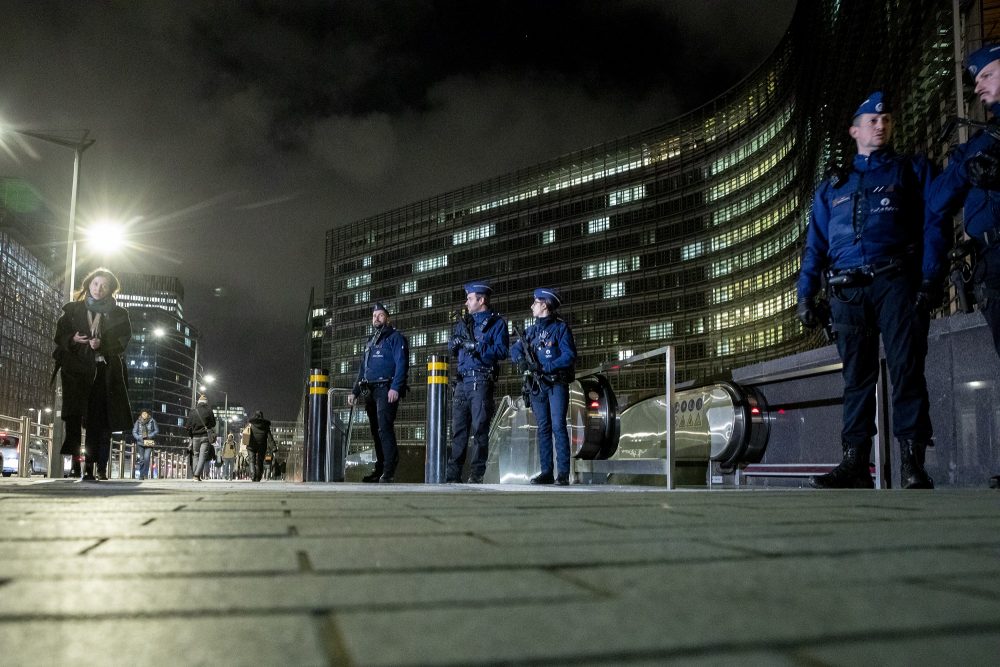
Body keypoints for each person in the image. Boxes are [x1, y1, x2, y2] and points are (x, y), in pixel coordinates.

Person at [797, 91, 946, 490]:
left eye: (886, 120)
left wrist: (932, 277)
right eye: (872, 120)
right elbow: (816, 244)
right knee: (855, 379)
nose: (881, 125)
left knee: (906, 370)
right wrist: (806, 295)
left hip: (896, 281)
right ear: (854, 130)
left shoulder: (911, 169)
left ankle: (912, 464)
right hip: (847, 291)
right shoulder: (833, 185)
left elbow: (935, 223)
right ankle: (855, 464)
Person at [928, 44, 1000, 489]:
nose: (978, 85)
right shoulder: (981, 138)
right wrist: (966, 167)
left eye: (987, 74)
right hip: (994, 259)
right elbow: (938, 200)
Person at [53, 267, 134, 481]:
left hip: (101, 371)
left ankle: (90, 466)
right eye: (96, 284)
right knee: (73, 418)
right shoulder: (72, 310)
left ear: (110, 290)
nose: (99, 289)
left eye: (104, 285)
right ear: (89, 284)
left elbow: (124, 340)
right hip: (75, 372)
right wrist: (72, 339)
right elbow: (59, 335)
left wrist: (103, 344)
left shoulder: (119, 314)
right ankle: (75, 465)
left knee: (95, 420)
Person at [511, 288, 577, 485]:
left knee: (558, 426)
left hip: (555, 383)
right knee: (544, 428)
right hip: (537, 386)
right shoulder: (531, 332)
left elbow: (569, 355)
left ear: (545, 305)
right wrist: (522, 361)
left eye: (535, 302)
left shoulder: (560, 328)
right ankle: (547, 471)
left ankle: (563, 474)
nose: (532, 306)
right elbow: (514, 350)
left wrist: (547, 367)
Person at [447, 280, 509, 483]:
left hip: (481, 379)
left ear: (481, 300)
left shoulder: (496, 323)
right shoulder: (465, 323)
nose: (466, 302)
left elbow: (501, 351)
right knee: (458, 431)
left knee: (480, 429)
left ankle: (476, 474)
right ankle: (453, 474)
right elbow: (452, 346)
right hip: (462, 381)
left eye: (470, 298)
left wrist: (477, 347)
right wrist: (455, 343)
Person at [349, 303, 409, 483]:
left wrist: (395, 387)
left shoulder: (395, 337)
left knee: (384, 429)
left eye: (380, 315)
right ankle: (380, 469)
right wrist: (355, 392)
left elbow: (402, 364)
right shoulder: (370, 341)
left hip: (386, 388)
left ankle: (389, 470)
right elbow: (363, 369)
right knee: (375, 431)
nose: (376, 318)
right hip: (370, 390)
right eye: (374, 315)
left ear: (387, 318)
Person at [186, 394, 217, 481]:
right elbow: (213, 424)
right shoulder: (209, 411)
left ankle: (195, 474)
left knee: (195, 455)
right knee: (202, 456)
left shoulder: (193, 411)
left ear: (198, 402)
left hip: (195, 437)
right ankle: (196, 475)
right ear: (206, 403)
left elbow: (188, 425)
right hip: (205, 436)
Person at [246, 410, 277, 482]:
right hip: (262, 446)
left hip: (251, 445)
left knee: (251, 461)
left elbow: (246, 433)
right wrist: (274, 447)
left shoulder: (251, 424)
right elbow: (270, 437)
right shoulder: (265, 425)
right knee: (260, 461)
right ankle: (258, 477)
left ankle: (253, 475)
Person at [131, 409, 159, 480]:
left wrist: (150, 436)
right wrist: (138, 438)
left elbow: (156, 430)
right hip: (140, 443)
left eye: (145, 414)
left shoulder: (152, 421)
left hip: (149, 442)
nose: (144, 415)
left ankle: (145, 474)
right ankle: (141, 474)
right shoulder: (138, 422)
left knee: (146, 458)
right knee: (141, 459)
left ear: (148, 414)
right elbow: (134, 431)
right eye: (143, 414)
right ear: (141, 414)